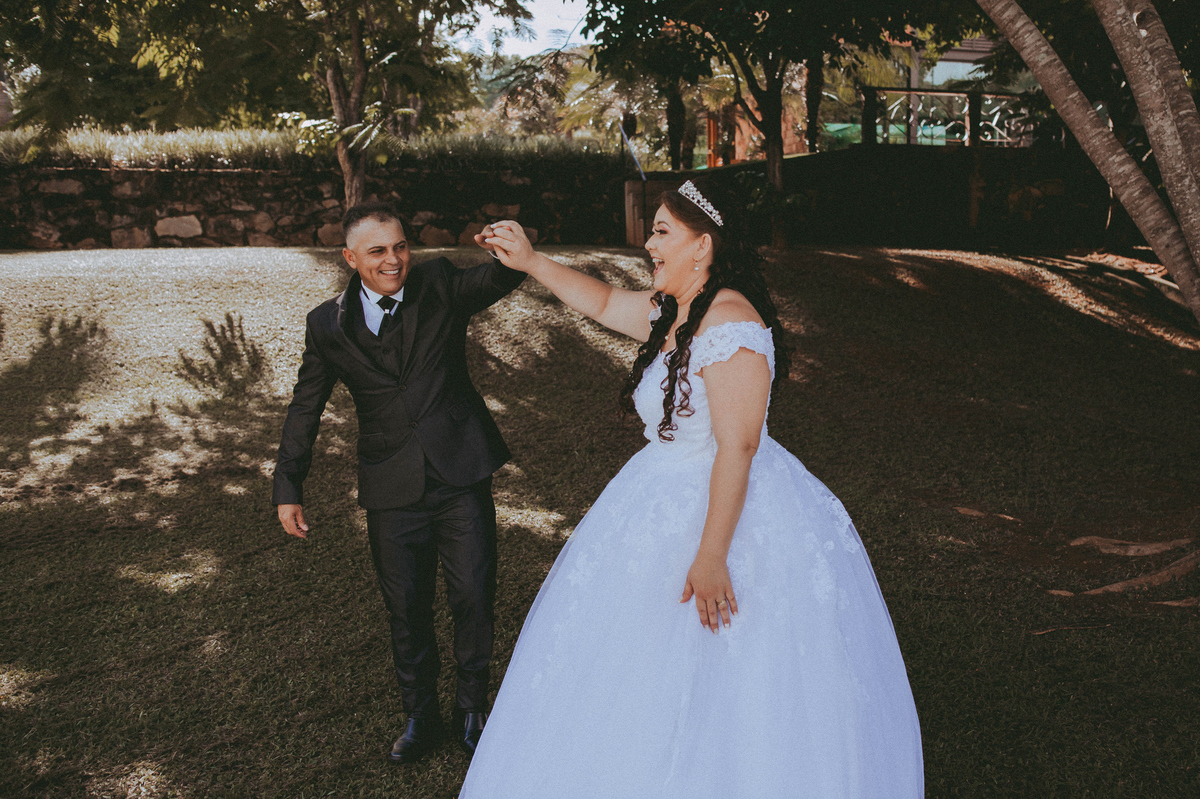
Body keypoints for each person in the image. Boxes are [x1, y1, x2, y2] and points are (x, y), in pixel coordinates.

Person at [459, 180, 923, 797]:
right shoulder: (676, 308)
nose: (648, 244)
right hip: (657, 494)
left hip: (725, 511)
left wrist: (711, 556)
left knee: (732, 668)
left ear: (702, 245)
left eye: (661, 232)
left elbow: (739, 446)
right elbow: (604, 301)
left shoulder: (731, 322)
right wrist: (532, 261)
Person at [272, 202, 526, 764]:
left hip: (460, 473)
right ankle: (420, 716)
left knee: (473, 594)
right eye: (378, 251)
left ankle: (472, 709)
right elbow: (305, 406)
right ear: (350, 258)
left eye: (400, 246)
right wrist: (288, 485)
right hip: (390, 485)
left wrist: (510, 248)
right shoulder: (327, 324)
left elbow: (498, 279)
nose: (394, 260)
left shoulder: (438, 284)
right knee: (406, 607)